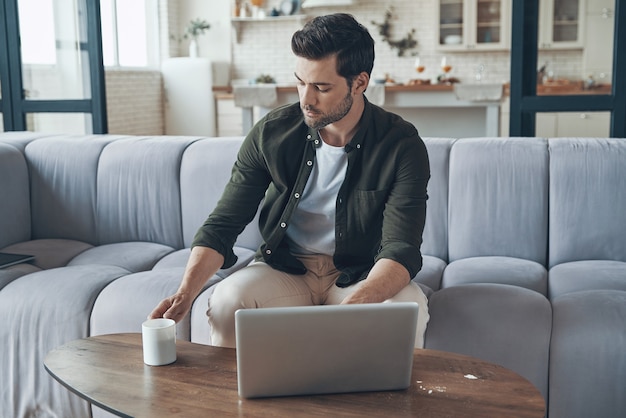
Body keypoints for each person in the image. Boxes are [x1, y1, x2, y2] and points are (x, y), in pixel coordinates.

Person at [150, 13, 430, 348]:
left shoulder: (401, 145)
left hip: (360, 273)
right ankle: (236, 400)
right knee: (227, 303)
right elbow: (223, 223)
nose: (306, 100)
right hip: (285, 268)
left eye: (321, 87)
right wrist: (185, 293)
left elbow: (400, 249)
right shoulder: (272, 133)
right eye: (300, 82)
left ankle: (381, 401)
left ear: (359, 82)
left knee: (405, 310)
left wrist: (352, 308)